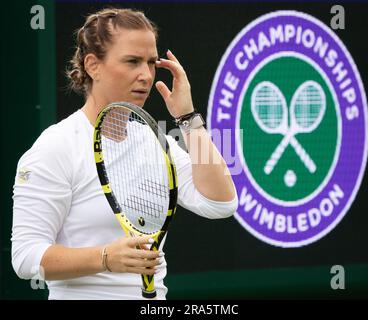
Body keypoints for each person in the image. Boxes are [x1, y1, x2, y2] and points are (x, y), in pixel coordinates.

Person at [11, 7, 237, 300]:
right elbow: (26, 256)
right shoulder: (55, 147)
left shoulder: (157, 142)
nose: (145, 75)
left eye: (151, 62)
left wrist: (188, 117)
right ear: (93, 65)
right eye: (132, 61)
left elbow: (220, 203)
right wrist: (104, 257)